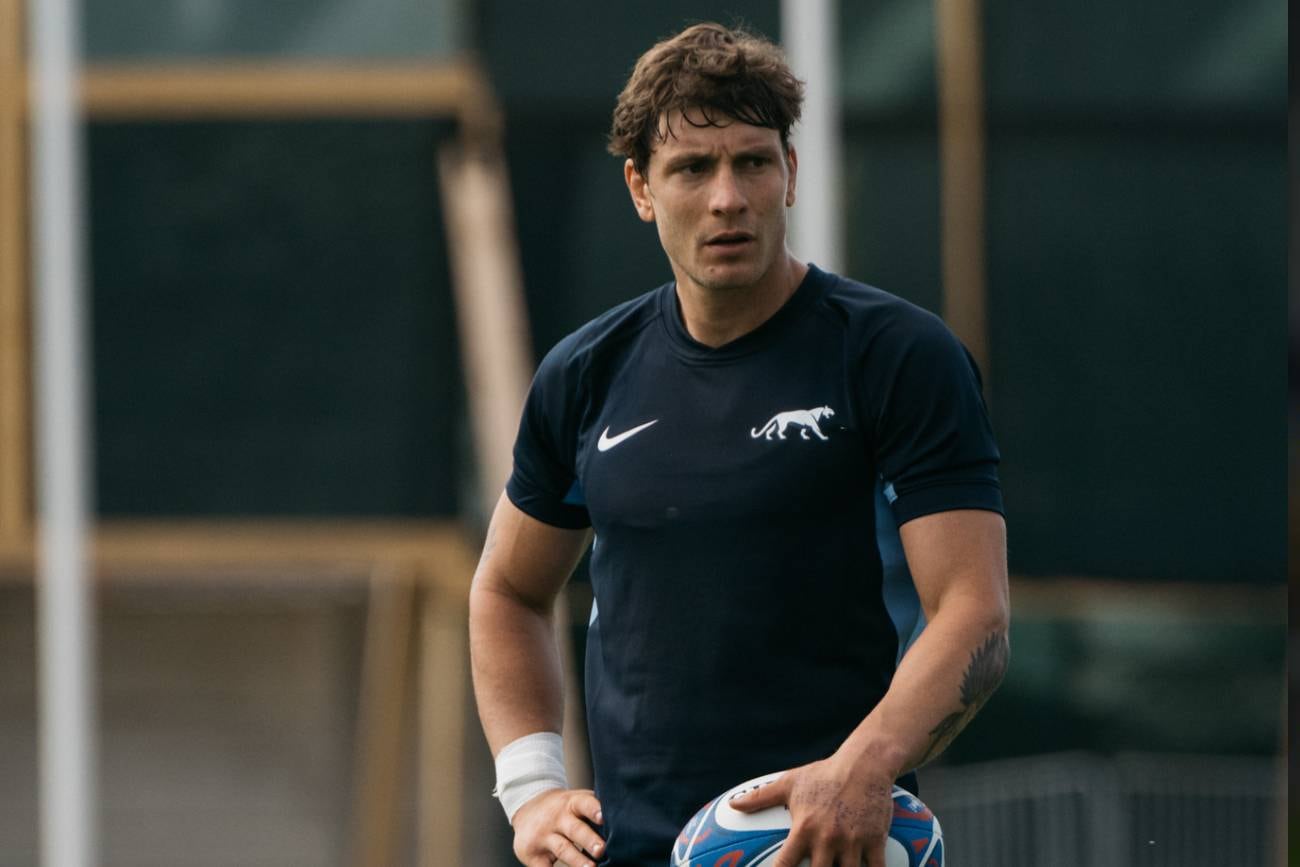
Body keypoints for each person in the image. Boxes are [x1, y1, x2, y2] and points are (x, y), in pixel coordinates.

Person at [469, 21, 1009, 867]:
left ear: (791, 174)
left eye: (753, 162)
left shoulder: (897, 355)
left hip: (828, 844)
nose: (728, 198)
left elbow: (974, 611)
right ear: (641, 189)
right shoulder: (585, 373)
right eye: (692, 168)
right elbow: (507, 588)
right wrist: (530, 789)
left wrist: (859, 768)